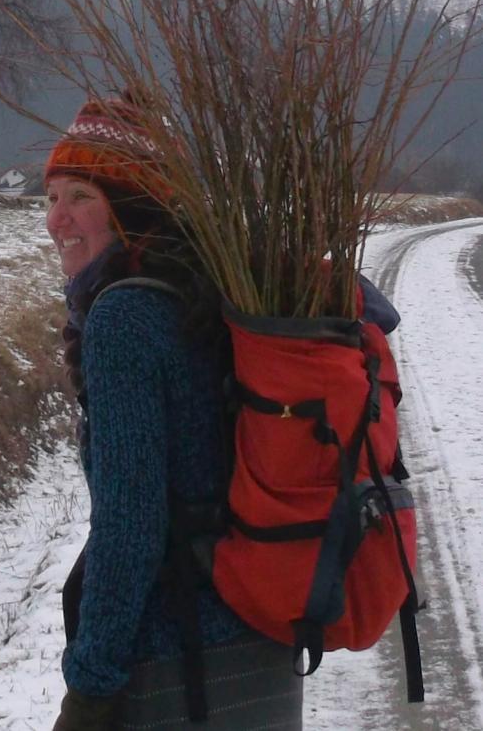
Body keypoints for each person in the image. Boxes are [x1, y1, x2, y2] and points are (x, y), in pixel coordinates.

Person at [44, 96, 400, 731]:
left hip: (180, 664)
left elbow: (131, 526)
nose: (56, 219)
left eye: (81, 197)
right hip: (263, 634)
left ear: (132, 208)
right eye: (50, 198)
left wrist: (90, 686)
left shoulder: (124, 318)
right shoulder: (220, 291)